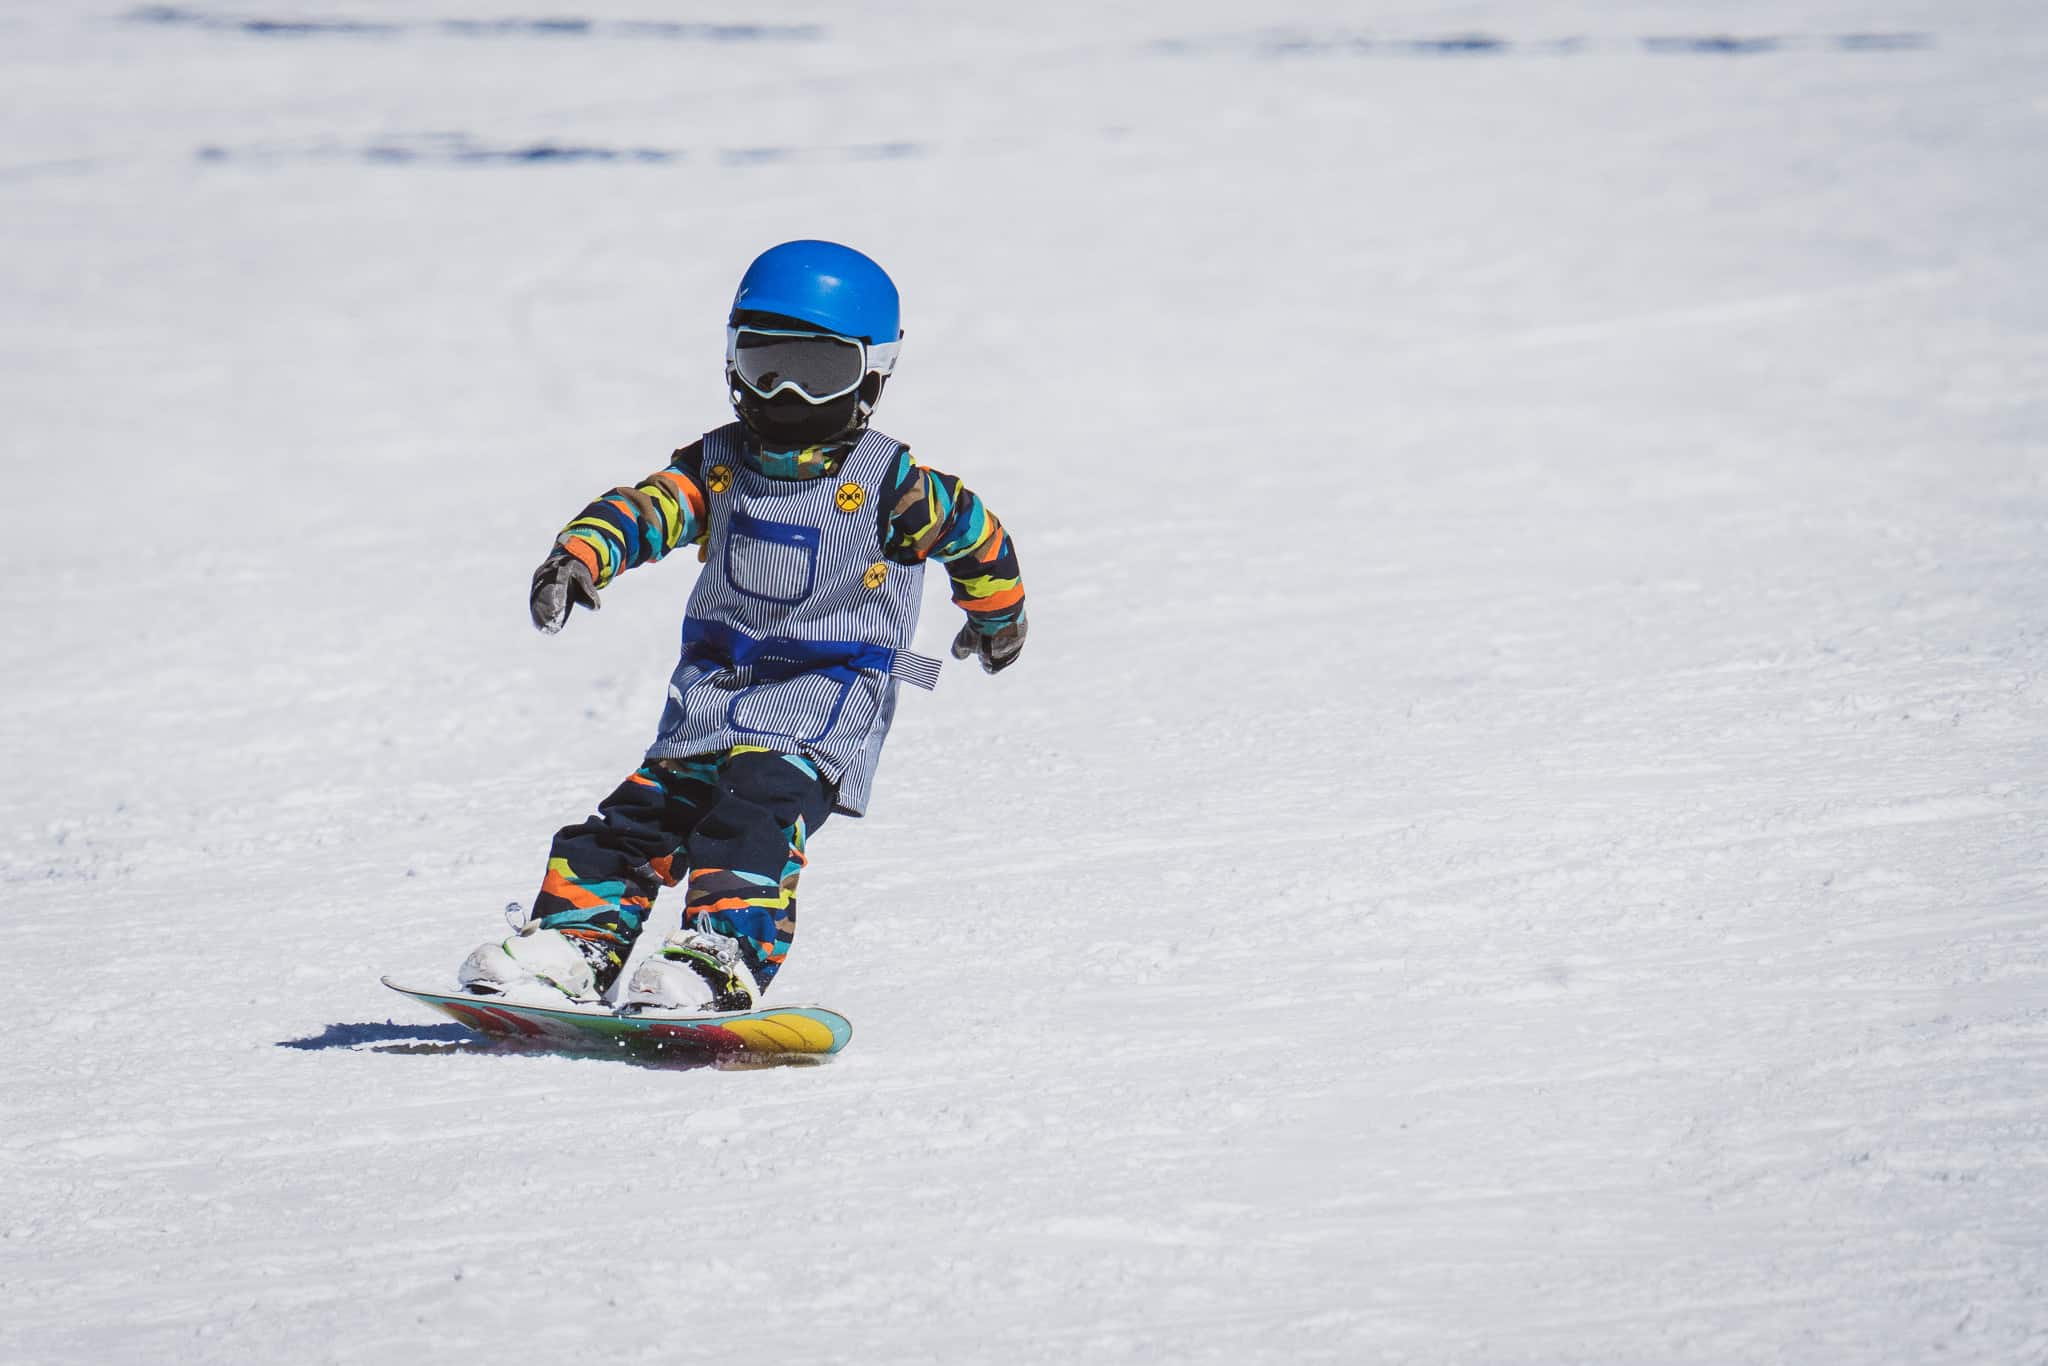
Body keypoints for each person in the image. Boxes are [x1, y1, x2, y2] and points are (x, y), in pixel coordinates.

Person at [457, 240, 1026, 1012]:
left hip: (822, 706)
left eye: (817, 370)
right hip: (712, 699)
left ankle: (719, 956)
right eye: (763, 363)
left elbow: (976, 536)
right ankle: (575, 942)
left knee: (755, 813)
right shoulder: (718, 467)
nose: (785, 390)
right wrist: (581, 557)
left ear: (872, 375)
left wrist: (998, 615)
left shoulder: (895, 487)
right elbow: (645, 510)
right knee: (634, 820)